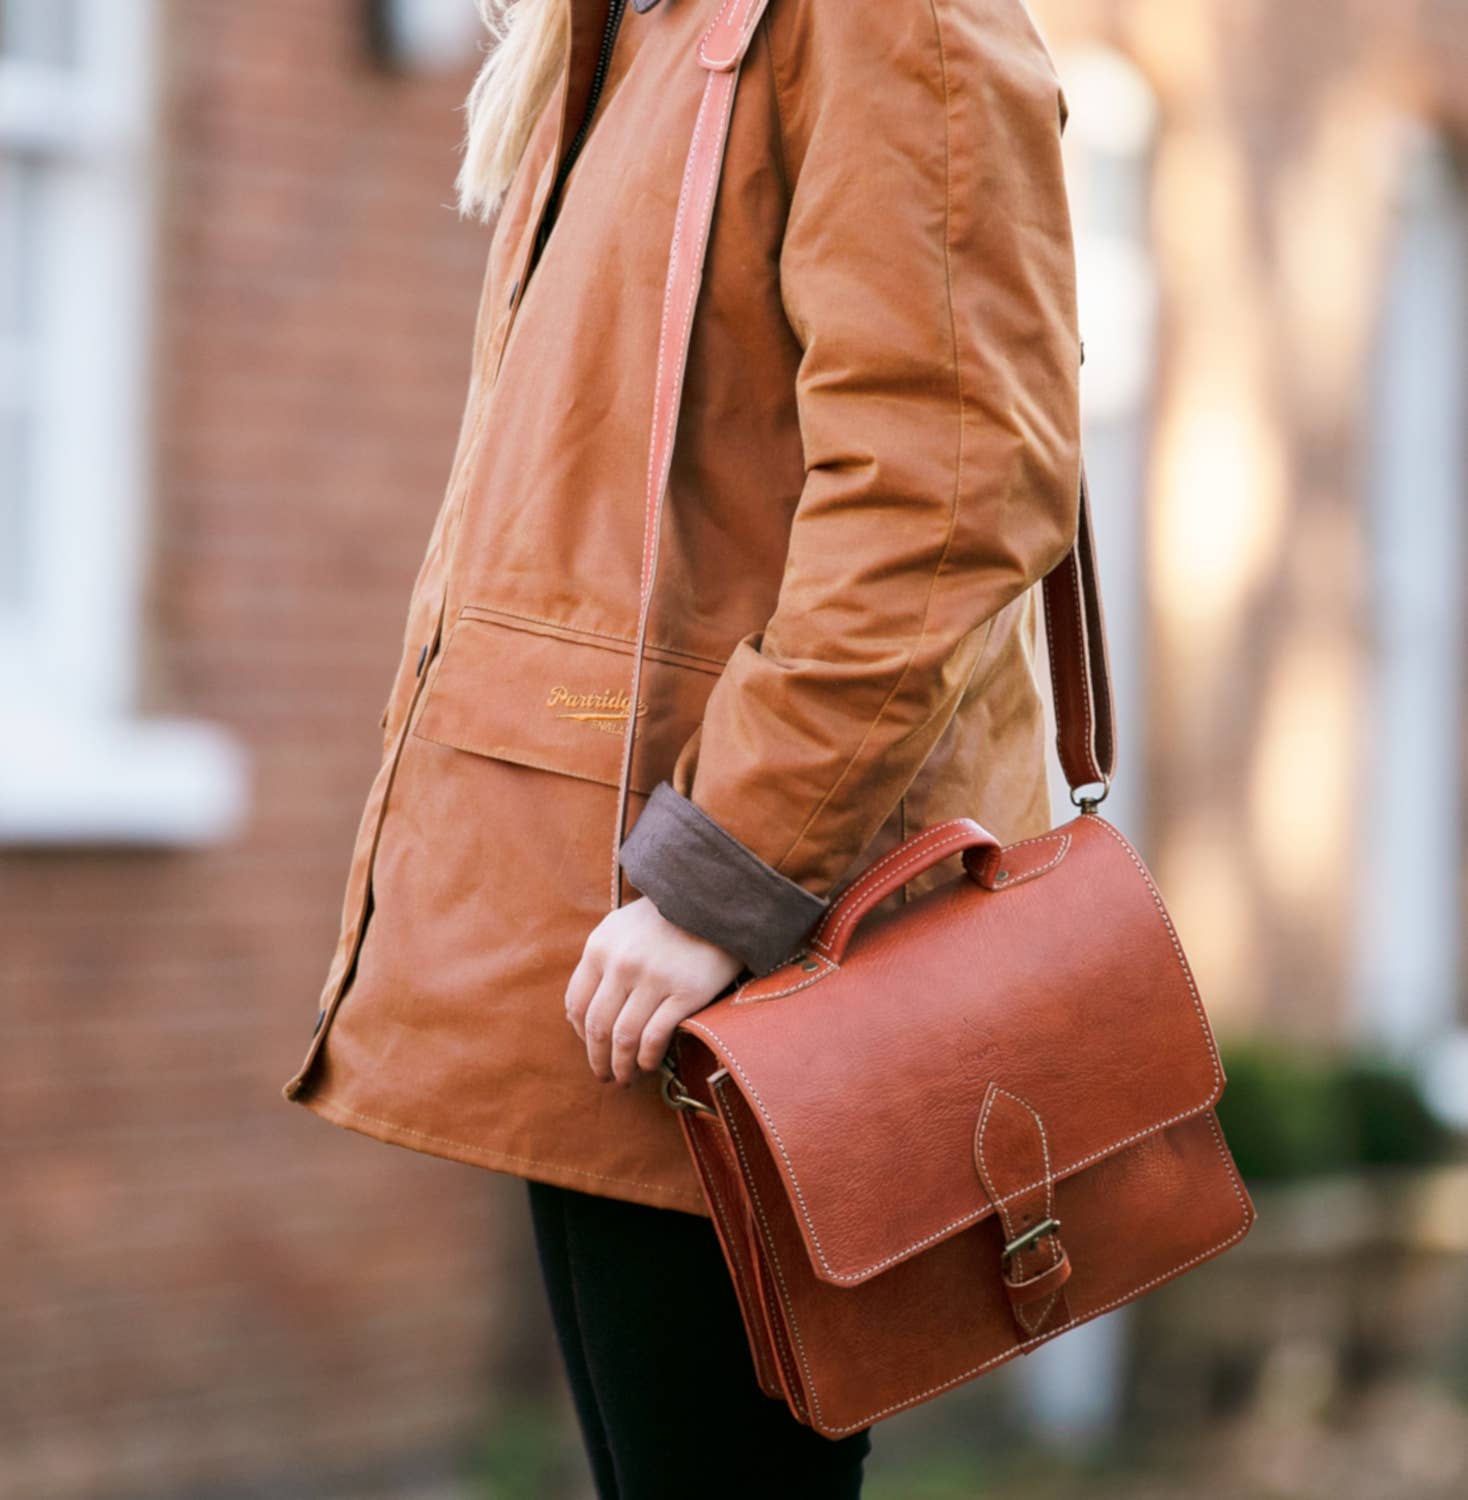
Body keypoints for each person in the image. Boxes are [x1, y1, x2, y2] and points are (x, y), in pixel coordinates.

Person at [282, 0, 1082, 1494]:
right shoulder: (637, 31)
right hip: (616, 941)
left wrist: (724, 879)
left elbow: (952, 486)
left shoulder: (870, 22)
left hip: (748, 962)